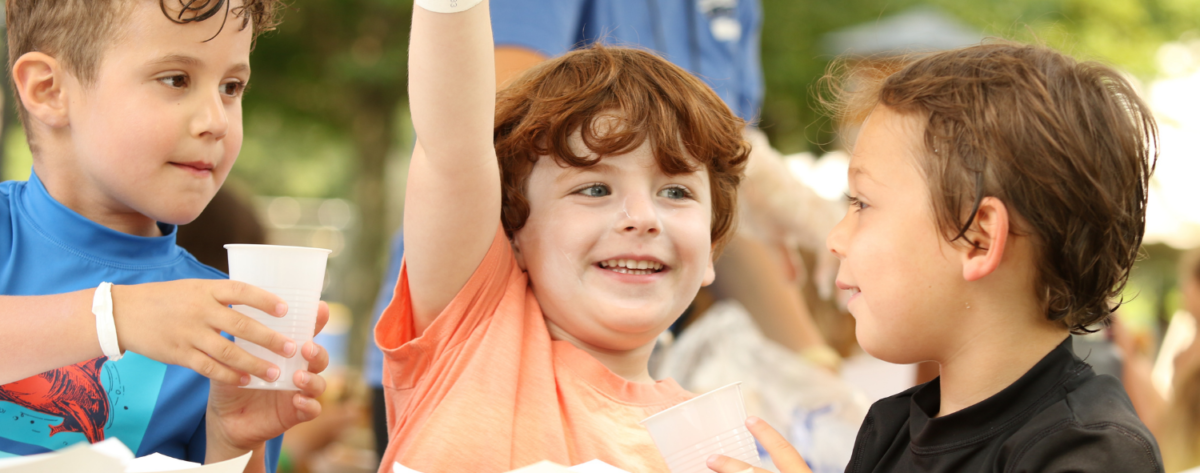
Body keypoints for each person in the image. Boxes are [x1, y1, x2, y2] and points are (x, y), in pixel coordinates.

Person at [706, 41, 1164, 472]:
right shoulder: (890, 428)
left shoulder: (1091, 451)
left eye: (862, 203)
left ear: (979, 239)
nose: (836, 238)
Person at [374, 0, 747, 470]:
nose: (642, 217)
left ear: (712, 245)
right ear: (513, 231)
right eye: (595, 188)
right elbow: (452, 145)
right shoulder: (472, 336)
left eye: (675, 191)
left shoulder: (713, 444)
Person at [0, 1, 329, 471]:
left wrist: (232, 445)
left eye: (231, 87)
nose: (215, 120)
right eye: (176, 79)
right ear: (49, 90)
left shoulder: (225, 324)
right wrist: (114, 316)